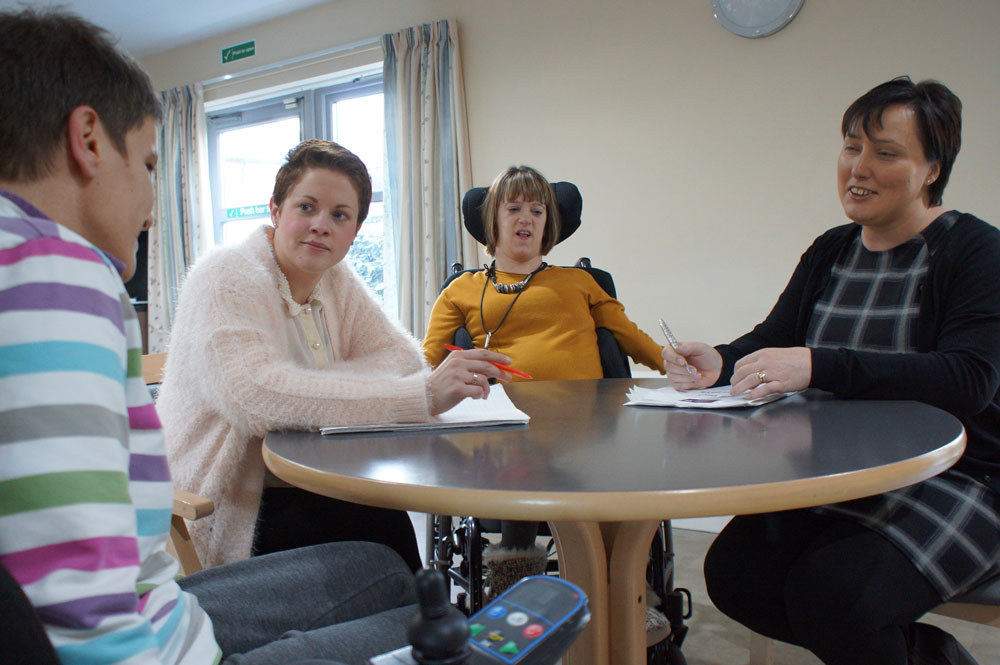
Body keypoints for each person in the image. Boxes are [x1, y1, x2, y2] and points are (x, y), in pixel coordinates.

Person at [0, 9, 422, 665]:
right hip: (173, 606)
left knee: (392, 567)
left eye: (341, 216)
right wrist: (385, 393)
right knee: (435, 624)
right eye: (145, 160)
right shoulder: (54, 273)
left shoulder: (34, 261)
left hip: (154, 606)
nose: (150, 199)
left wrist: (337, 389)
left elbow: (400, 360)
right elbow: (80, 603)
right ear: (87, 139)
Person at [663, 77, 1000, 665]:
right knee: (735, 576)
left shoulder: (975, 252)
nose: (857, 168)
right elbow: (774, 339)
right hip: (838, 475)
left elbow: (968, 379)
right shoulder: (832, 249)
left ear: (931, 170)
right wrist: (720, 361)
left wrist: (820, 365)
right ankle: (925, 654)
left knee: (837, 596)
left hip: (958, 478)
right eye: (850, 147)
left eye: (886, 153)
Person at [157, 139, 510, 571]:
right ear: (275, 211)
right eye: (306, 207)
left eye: (339, 215)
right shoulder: (225, 276)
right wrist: (416, 397)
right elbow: (255, 397)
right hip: (231, 501)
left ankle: (419, 630)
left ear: (355, 231)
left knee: (388, 529)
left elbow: (402, 358)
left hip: (307, 478)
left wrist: (305, 389)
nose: (321, 225)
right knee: (380, 556)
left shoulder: (335, 279)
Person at [422, 165, 666, 601]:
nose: (527, 218)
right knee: (520, 458)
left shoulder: (580, 282)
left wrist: (674, 362)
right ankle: (515, 592)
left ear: (549, 222)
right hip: (509, 431)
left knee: (616, 471)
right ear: (491, 221)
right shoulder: (462, 290)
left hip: (586, 425)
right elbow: (427, 363)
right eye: (514, 208)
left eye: (537, 210)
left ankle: (622, 596)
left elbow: (630, 337)